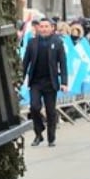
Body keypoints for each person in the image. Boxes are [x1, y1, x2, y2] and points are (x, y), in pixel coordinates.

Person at [22, 18, 68, 148]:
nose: (43, 29)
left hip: (50, 82)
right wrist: (20, 78)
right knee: (34, 107)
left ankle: (51, 137)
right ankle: (38, 132)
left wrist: (64, 82)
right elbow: (25, 63)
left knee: (50, 111)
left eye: (46, 26)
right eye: (41, 26)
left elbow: (63, 64)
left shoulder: (57, 42)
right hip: (36, 82)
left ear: (52, 28)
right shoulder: (32, 43)